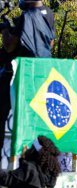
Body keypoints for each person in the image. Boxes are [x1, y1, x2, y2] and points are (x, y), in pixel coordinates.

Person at [0, 0, 55, 151]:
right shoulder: (49, 13)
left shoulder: (27, 16)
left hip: (18, 76)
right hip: (41, 73)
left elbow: (9, 47)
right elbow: (50, 43)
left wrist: (5, 29)